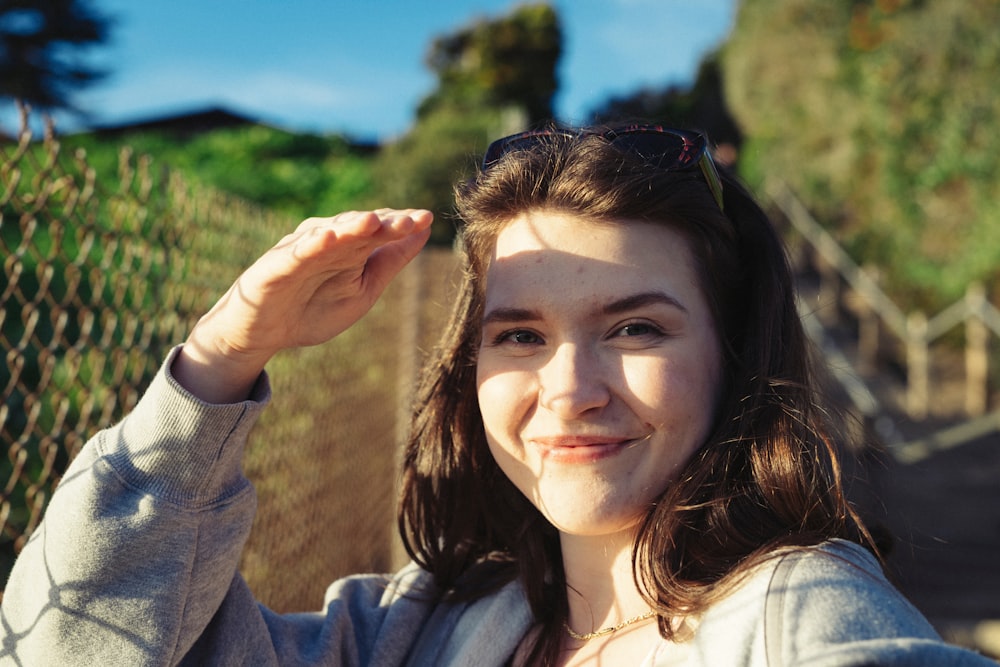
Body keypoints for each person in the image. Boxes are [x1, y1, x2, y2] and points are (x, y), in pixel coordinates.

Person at [0, 125, 994, 667]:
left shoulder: (799, 621)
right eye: (519, 335)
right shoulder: (420, 625)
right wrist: (216, 363)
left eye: (635, 327)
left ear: (735, 355)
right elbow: (66, 646)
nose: (567, 388)